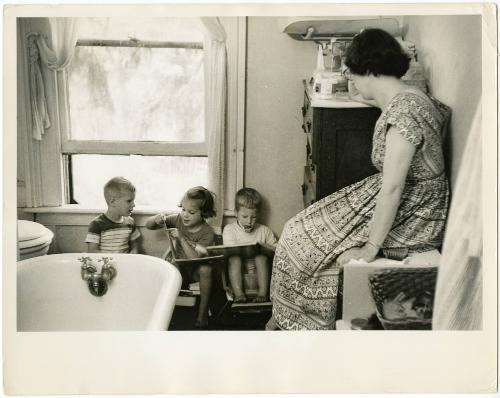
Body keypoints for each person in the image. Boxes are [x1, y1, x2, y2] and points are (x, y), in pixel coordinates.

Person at [268, 28, 451, 330]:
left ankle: (300, 323)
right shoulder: (406, 95)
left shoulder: (403, 116)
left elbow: (392, 189)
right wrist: (360, 86)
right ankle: (286, 315)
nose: (350, 78)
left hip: (416, 210)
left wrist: (370, 247)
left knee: (302, 241)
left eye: (353, 72)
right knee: (299, 227)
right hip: (410, 194)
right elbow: (374, 97)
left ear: (370, 70)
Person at [145, 186, 216, 329]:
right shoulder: (178, 219)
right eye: (183, 209)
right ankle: (166, 314)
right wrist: (156, 219)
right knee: (171, 265)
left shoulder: (207, 232)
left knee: (206, 269)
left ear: (204, 213)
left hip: (195, 269)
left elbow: (194, 258)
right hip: (180, 267)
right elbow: (149, 226)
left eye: (191, 212)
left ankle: (202, 314)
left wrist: (181, 238)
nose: (185, 215)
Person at [223, 188, 278, 303]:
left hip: (260, 271)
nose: (249, 221)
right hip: (238, 270)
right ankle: (239, 294)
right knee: (234, 259)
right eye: (245, 217)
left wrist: (266, 247)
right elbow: (230, 250)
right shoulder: (229, 230)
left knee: (261, 258)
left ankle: (263, 294)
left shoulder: (264, 231)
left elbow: (278, 252)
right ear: (236, 213)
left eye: (253, 217)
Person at [85, 177, 141, 254]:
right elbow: (92, 251)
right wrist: (113, 259)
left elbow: (135, 243)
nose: (133, 205)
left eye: (133, 201)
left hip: (125, 263)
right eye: (129, 201)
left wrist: (134, 251)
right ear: (112, 202)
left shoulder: (130, 222)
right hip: (106, 264)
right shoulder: (96, 224)